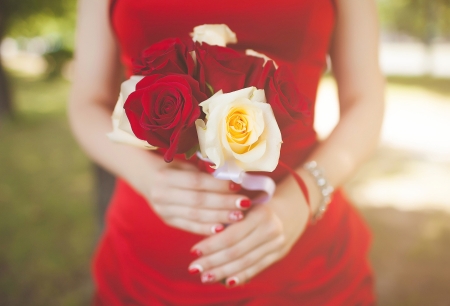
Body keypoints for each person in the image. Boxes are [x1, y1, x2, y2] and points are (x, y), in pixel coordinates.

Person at [68, 0, 384, 304]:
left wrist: (305, 194)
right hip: (150, 259)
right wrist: (148, 176)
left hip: (301, 253)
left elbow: (365, 100)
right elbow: (87, 102)